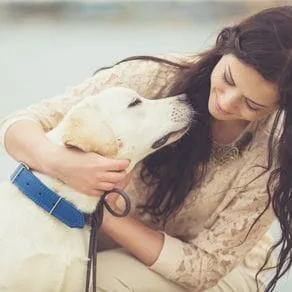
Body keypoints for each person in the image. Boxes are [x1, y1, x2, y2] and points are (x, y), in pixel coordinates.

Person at [1, 5, 292, 292]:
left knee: (91, 278)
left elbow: (203, 270)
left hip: (215, 275)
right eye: (228, 79)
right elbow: (20, 124)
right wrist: (59, 163)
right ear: (224, 46)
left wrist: (103, 208)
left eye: (252, 104)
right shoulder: (153, 77)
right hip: (108, 244)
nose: (227, 103)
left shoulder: (274, 153)